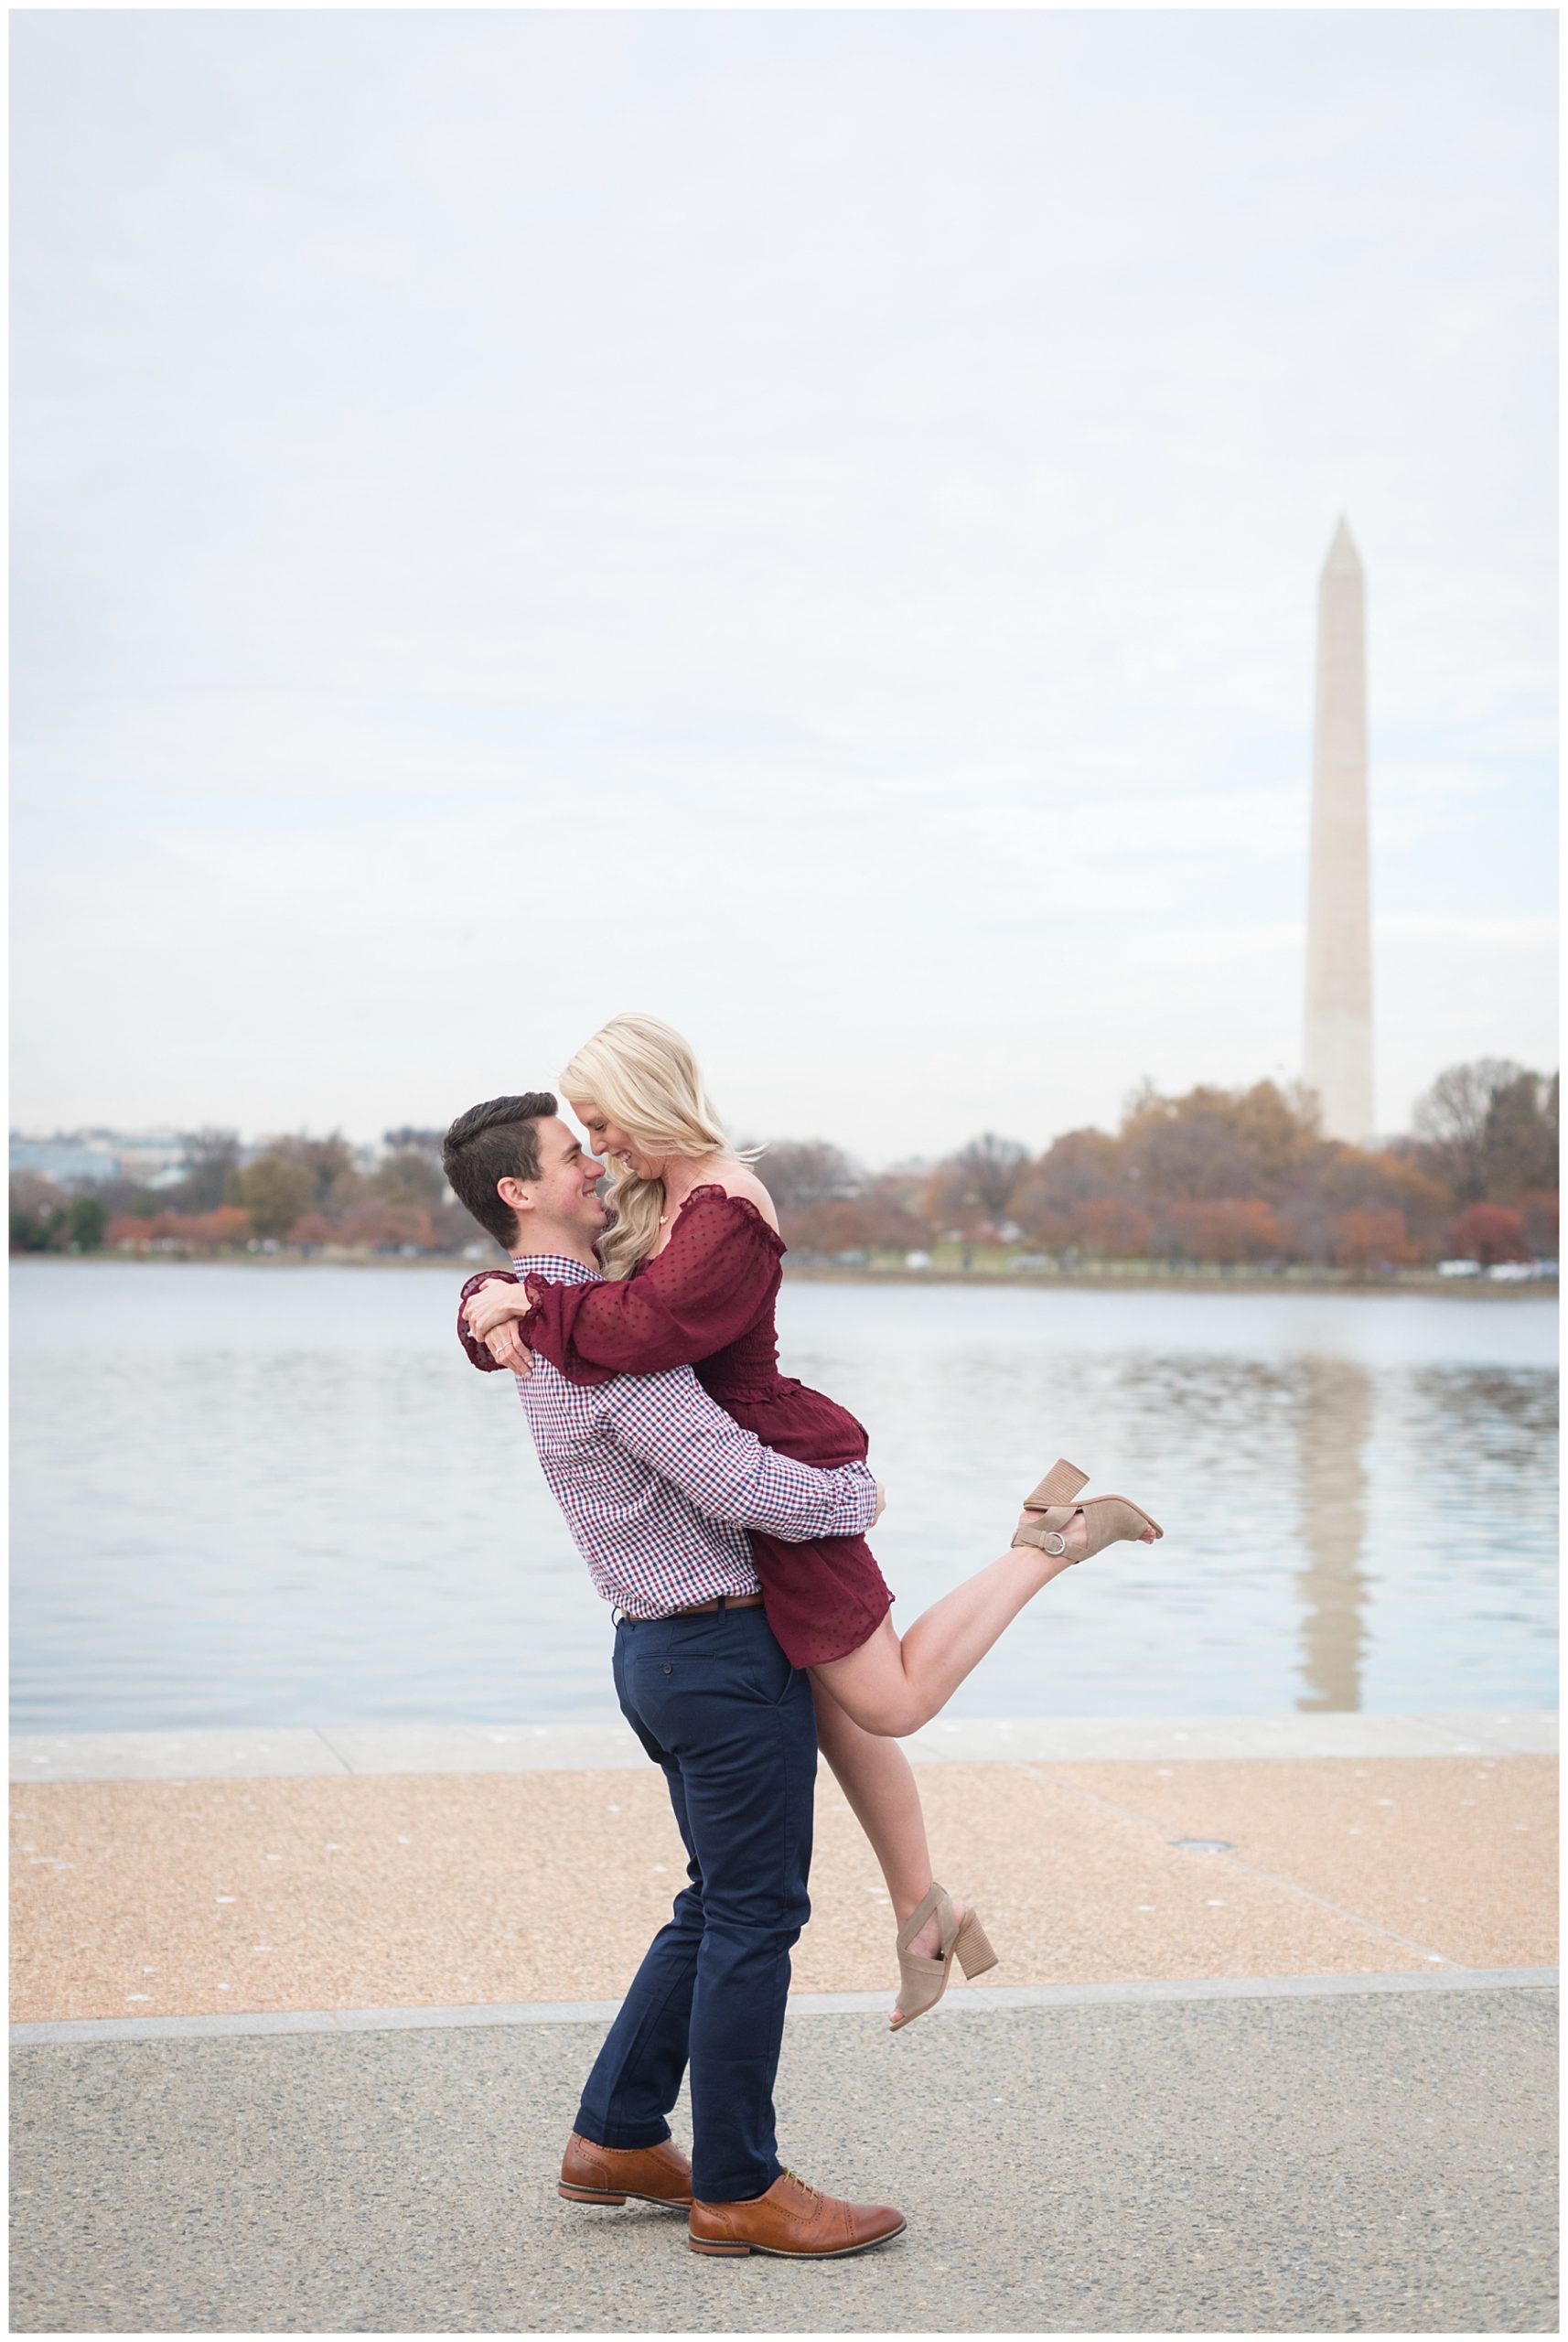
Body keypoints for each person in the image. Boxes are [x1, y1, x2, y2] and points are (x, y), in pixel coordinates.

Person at [457, 1015, 1162, 2027]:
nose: (599, 1148)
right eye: (584, 1137)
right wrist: (491, 1293)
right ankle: (924, 1912)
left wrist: (519, 1302)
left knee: (891, 1703)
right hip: (728, 1480)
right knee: (833, 1709)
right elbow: (559, 1269)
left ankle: (1051, 1543)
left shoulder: (725, 1207)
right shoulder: (652, 1200)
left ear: (649, 1099)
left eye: (602, 1124)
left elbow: (640, 1329)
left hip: (774, 1476)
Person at [442, 1090, 908, 2258]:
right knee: (756, 1913)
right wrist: (858, 1495)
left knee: (715, 1901)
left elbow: (518, 1301)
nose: (596, 1167)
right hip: (718, 1650)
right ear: (518, 1191)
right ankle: (741, 2185)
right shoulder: (597, 1338)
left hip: (658, 1648)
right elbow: (741, 1485)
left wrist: (485, 1298)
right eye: (572, 1156)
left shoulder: (539, 1314)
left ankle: (615, 2134)